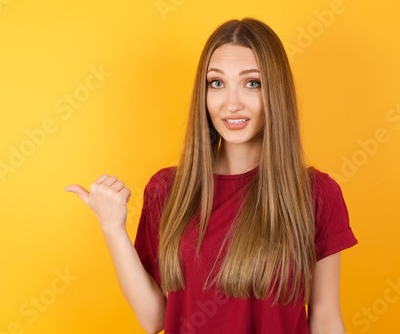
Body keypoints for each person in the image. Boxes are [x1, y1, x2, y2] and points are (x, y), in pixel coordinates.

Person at [66, 18, 358, 334]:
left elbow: (326, 319)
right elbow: (154, 319)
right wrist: (113, 228)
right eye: (216, 83)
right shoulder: (168, 190)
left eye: (252, 83)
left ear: (276, 92)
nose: (232, 104)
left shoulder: (317, 194)